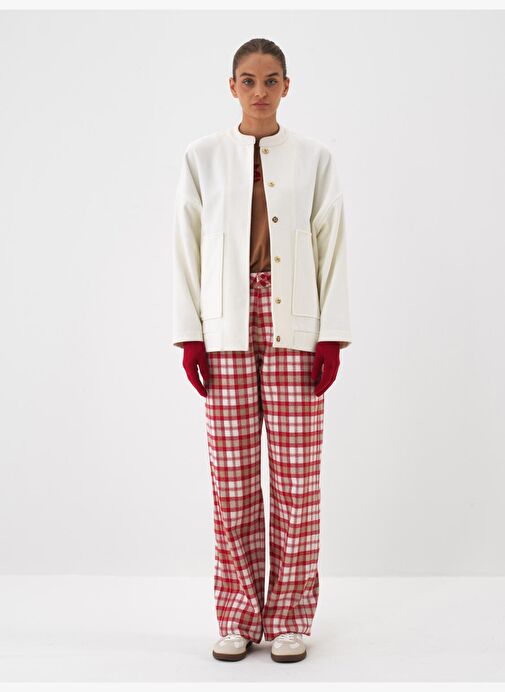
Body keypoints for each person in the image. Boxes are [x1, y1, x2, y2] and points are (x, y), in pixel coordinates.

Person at [172, 38, 352, 663]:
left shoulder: (315, 158)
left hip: (294, 324)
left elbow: (331, 242)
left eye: (270, 80)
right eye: (248, 81)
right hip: (225, 325)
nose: (259, 91)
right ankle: (238, 614)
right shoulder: (201, 157)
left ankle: (290, 618)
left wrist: (331, 333)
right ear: (232, 87)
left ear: (286, 86)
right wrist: (189, 333)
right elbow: (186, 243)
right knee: (233, 478)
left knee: (298, 480)